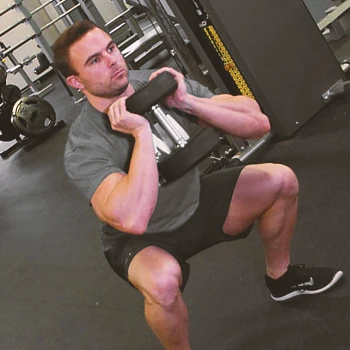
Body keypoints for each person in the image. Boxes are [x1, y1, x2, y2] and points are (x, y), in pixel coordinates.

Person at [53, 20, 343, 350]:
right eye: (94, 60)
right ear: (76, 81)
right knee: (162, 285)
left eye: (110, 48)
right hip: (144, 237)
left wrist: (185, 102)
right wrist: (141, 132)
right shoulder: (85, 143)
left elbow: (257, 122)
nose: (112, 61)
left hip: (195, 199)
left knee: (281, 181)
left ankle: (282, 279)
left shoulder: (156, 83)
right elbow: (131, 219)